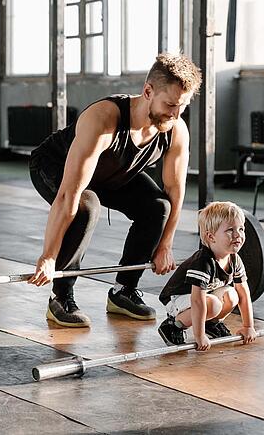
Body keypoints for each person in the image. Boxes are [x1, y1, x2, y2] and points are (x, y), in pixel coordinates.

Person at [27, 53, 203, 327]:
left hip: (113, 175)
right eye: (170, 104)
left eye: (182, 106)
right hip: (53, 166)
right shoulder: (104, 119)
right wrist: (49, 256)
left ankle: (124, 291)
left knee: (158, 207)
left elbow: (175, 190)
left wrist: (164, 245)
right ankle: (60, 297)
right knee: (86, 206)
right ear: (148, 91)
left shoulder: (175, 129)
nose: (176, 114)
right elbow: (68, 194)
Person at [157, 201, 257, 350]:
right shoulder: (203, 262)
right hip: (178, 298)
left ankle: (211, 323)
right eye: (230, 230)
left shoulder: (234, 258)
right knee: (213, 305)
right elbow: (197, 300)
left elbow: (244, 292)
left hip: (204, 296)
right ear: (211, 237)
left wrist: (248, 326)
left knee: (232, 295)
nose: (238, 235)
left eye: (241, 229)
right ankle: (174, 325)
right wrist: (199, 336)